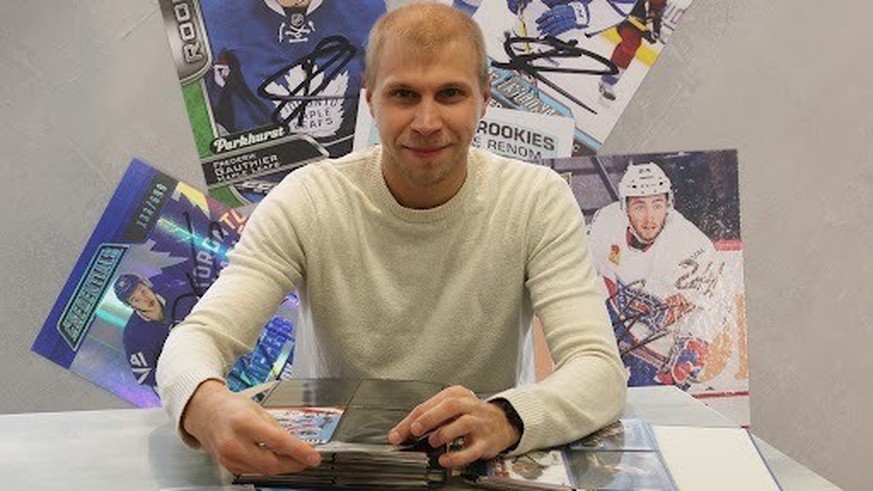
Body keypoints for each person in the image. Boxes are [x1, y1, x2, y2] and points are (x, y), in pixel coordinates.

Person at [157, 2, 626, 477]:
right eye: (403, 94)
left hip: (471, 468)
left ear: (485, 98)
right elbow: (197, 339)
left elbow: (599, 369)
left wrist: (507, 417)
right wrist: (205, 404)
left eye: (450, 94)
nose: (427, 122)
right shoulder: (307, 199)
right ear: (369, 98)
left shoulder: (537, 200)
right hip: (329, 471)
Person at [587, 162, 726, 390]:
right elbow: (583, 270)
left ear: (668, 205)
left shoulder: (691, 245)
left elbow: (714, 306)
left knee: (646, 405)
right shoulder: (606, 221)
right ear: (624, 207)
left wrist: (694, 346)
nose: (650, 218)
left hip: (658, 350)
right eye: (639, 206)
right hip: (615, 323)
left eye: (657, 205)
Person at [113, 273, 198, 387]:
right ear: (131, 306)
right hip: (186, 375)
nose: (145, 299)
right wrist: (178, 372)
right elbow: (144, 375)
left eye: (143, 291)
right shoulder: (133, 336)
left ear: (147, 284)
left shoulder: (177, 291)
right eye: (136, 299)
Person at [598, 0, 666, 101]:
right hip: (616, 5)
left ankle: (608, 81)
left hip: (632, 12)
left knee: (632, 43)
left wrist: (655, 27)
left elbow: (657, 6)